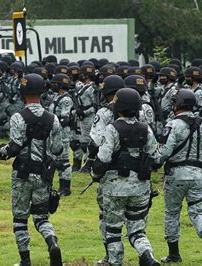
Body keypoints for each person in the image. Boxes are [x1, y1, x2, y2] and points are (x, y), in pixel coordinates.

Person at [0, 73, 64, 266]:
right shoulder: (53, 119)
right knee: (42, 217)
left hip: (23, 174)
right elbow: (58, 149)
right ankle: (52, 243)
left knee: (20, 218)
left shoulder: (19, 117)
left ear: (23, 94)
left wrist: (3, 150)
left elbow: (15, 147)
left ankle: (25, 260)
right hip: (44, 173)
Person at [92, 88, 160, 266]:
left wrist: (94, 173)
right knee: (137, 230)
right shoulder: (146, 129)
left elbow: (103, 158)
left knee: (113, 231)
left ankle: (115, 262)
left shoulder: (112, 129)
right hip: (140, 188)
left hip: (115, 189)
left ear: (118, 107)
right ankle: (148, 255)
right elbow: (157, 158)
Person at [157, 89, 202, 265]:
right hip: (199, 174)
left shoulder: (173, 124)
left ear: (177, 104)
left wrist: (152, 162)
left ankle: (174, 254)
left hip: (176, 175)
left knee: (172, 213)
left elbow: (165, 152)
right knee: (198, 211)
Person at [88, 74, 125, 265]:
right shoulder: (139, 110)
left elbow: (94, 141)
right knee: (135, 221)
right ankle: (145, 253)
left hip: (109, 171)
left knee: (107, 216)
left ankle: (110, 256)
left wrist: (93, 163)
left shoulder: (104, 113)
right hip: (137, 172)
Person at [48, 73, 73, 196]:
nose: (52, 85)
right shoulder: (56, 97)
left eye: (55, 83)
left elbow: (64, 118)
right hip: (53, 132)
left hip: (62, 133)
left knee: (63, 161)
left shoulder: (66, 99)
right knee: (53, 159)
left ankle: (65, 187)